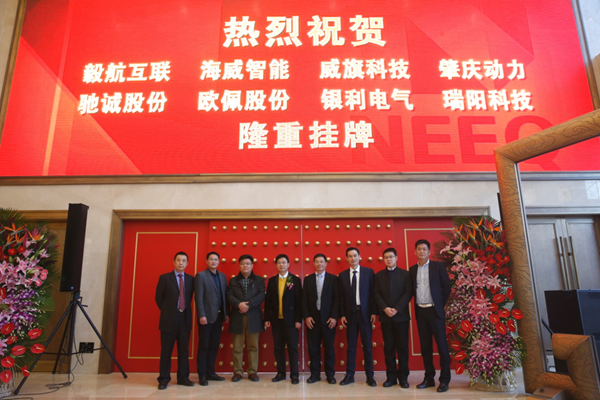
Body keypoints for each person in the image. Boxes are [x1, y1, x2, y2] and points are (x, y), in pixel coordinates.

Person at [410, 239, 451, 393]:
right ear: (415, 251)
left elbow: (447, 288)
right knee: (425, 348)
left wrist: (439, 304)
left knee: (442, 347)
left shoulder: (438, 267)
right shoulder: (412, 269)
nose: (422, 251)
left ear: (429, 251)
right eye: (419, 249)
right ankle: (429, 378)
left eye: (424, 249)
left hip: (435, 311)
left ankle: (444, 380)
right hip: (421, 312)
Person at [155, 251, 195, 390]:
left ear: (187, 263)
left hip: (184, 318)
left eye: (184, 260)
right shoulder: (165, 278)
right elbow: (158, 298)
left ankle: (183, 378)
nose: (181, 263)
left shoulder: (191, 279)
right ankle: (164, 379)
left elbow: (189, 298)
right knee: (166, 350)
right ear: (174, 262)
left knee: (183, 351)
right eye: (178, 260)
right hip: (169, 319)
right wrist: (169, 311)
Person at [373, 247, 412, 389]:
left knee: (403, 348)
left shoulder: (405, 274)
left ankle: (403, 378)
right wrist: (385, 308)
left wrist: (396, 308)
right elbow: (376, 293)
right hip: (386, 317)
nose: (389, 259)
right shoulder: (378, 275)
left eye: (391, 257)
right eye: (386, 257)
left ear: (396, 258)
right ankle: (391, 377)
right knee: (389, 348)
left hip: (401, 317)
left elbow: (408, 293)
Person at [338, 247, 377, 387]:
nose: (353, 258)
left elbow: (374, 294)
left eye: (355, 255)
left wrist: (374, 312)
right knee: (351, 346)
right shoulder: (342, 275)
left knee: (367, 346)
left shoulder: (368, 272)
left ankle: (370, 376)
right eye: (350, 256)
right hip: (350, 315)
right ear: (346, 258)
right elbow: (341, 298)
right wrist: (342, 314)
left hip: (365, 314)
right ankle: (350, 375)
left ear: (359, 256)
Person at [226, 254, 265, 382]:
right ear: (239, 265)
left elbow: (261, 295)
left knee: (253, 346)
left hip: (254, 317)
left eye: (248, 263)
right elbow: (229, 295)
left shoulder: (259, 280)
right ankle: (238, 372)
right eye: (243, 263)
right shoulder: (233, 281)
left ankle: (252, 372)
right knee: (237, 347)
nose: (245, 266)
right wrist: (239, 304)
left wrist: (248, 305)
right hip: (237, 316)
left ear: (252, 265)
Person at [264, 254, 302, 384]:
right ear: (276, 265)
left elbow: (299, 302)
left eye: (284, 262)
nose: (281, 265)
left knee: (292, 348)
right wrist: (267, 318)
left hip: (291, 321)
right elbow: (268, 301)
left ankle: (294, 375)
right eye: (279, 262)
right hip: (276, 321)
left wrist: (298, 319)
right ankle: (281, 373)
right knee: (278, 348)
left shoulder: (294, 280)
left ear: (288, 264)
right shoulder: (272, 281)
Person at [301, 253, 339, 384]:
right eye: (317, 261)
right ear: (313, 264)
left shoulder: (333, 279)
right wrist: (306, 316)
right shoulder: (308, 279)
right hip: (312, 320)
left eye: (321, 261)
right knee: (313, 349)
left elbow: (337, 300)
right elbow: (304, 300)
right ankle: (315, 375)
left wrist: (334, 317)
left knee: (329, 349)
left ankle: (330, 375)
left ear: (326, 264)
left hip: (329, 320)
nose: (319, 264)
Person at [194, 251, 229, 386]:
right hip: (206, 317)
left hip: (219, 316)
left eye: (216, 259)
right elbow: (199, 297)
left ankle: (211, 372)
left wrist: (226, 313)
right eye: (211, 259)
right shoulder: (201, 276)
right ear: (207, 261)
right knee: (204, 346)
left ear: (219, 261)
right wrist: (201, 315)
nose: (214, 261)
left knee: (214, 345)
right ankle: (202, 375)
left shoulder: (222, 276)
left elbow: (224, 296)